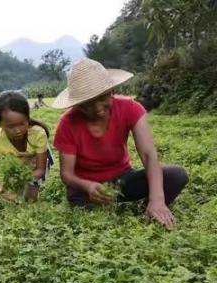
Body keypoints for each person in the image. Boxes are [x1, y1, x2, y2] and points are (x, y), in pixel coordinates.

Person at [52, 58, 188, 229]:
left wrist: (157, 200)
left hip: (122, 180)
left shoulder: (130, 108)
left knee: (176, 176)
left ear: (112, 90)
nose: (97, 108)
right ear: (77, 104)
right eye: (87, 104)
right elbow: (67, 175)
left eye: (102, 98)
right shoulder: (67, 124)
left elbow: (148, 155)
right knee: (86, 218)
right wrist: (88, 186)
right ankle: (103, 205)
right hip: (87, 189)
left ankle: (150, 208)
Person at [0, 91, 54, 202]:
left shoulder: (38, 134)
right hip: (18, 161)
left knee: (30, 197)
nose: (17, 131)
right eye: (10, 126)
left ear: (28, 118)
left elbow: (40, 169)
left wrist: (21, 180)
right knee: (16, 197)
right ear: (0, 124)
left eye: (22, 124)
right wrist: (1, 189)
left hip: (37, 160)